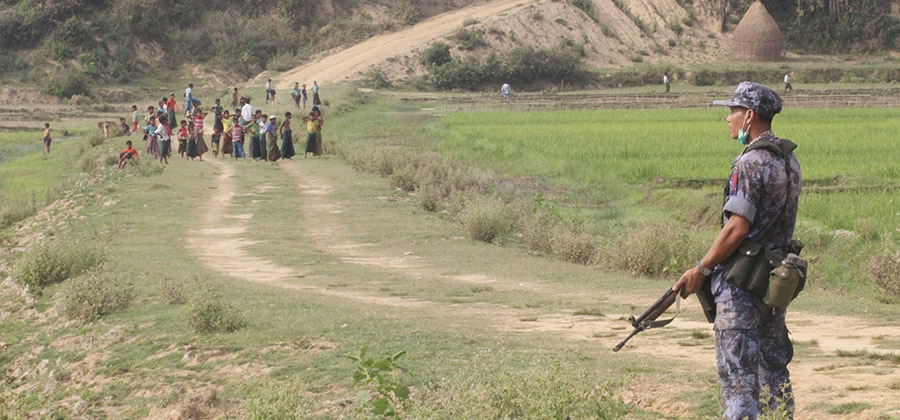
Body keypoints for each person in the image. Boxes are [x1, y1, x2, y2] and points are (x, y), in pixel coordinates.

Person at [674, 82, 800, 420]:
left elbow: (736, 228)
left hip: (741, 286)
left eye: (732, 111)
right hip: (772, 285)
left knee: (739, 383)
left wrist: (701, 269)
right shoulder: (788, 160)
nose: (727, 118)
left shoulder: (749, 163)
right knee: (775, 377)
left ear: (749, 116)